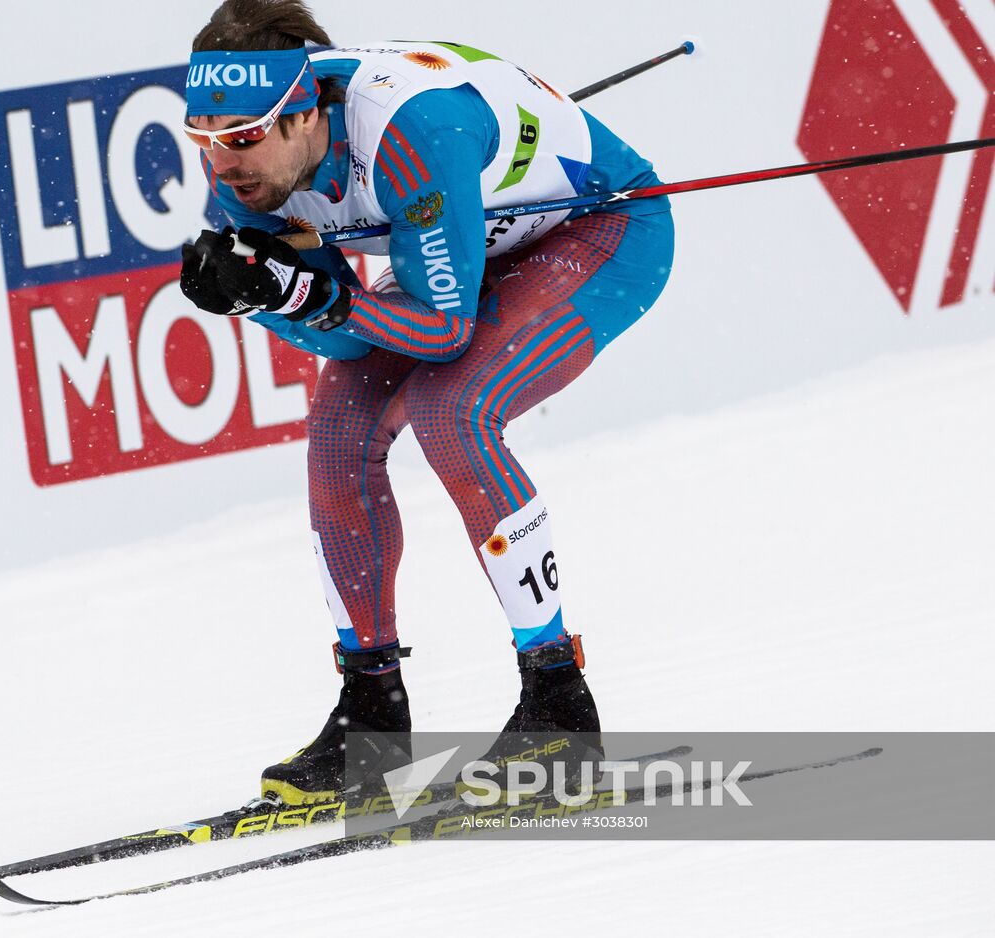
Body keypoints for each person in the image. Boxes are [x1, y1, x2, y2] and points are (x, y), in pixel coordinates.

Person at [179, 0, 674, 805]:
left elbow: (442, 333)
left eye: (241, 140)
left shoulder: (415, 129)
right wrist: (271, 297)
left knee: (454, 409)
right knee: (339, 432)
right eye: (205, 141)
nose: (224, 168)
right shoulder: (253, 176)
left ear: (304, 114)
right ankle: (372, 718)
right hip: (463, 248)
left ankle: (558, 701)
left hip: (594, 232)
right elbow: (344, 339)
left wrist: (307, 294)